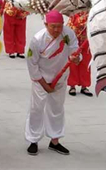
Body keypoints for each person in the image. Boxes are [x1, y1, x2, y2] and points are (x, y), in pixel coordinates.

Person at [25, 10, 78, 156]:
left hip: (60, 78)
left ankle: (55, 141)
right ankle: (33, 140)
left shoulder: (68, 33)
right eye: (53, 26)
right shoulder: (37, 39)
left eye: (59, 26)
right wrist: (44, 84)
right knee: (36, 108)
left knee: (57, 108)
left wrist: (75, 58)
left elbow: (74, 51)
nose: (57, 30)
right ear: (45, 24)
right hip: (41, 78)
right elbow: (32, 63)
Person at [66, 11, 93, 97]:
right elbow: (72, 26)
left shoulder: (93, 12)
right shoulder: (74, 13)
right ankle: (72, 86)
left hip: (87, 41)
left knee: (86, 63)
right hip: (74, 41)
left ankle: (84, 86)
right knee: (73, 63)